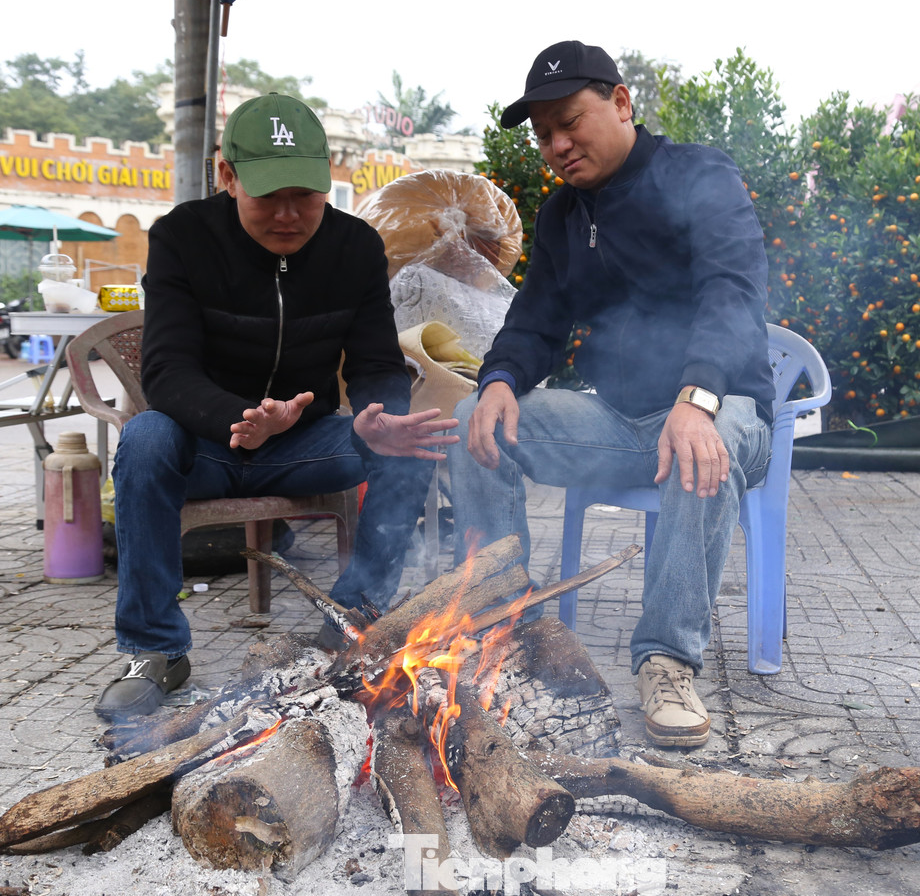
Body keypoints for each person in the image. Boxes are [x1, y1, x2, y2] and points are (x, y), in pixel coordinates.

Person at [448, 42, 775, 749]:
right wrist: (500, 379)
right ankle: (499, 629)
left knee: (698, 445)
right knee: (473, 421)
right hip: (619, 418)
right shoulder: (564, 215)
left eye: (571, 122)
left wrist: (698, 396)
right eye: (544, 136)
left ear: (621, 103)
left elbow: (734, 292)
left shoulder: (700, 176)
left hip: (722, 405)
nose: (558, 145)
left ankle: (667, 660)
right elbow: (534, 319)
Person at [96, 93, 458, 721]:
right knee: (145, 439)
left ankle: (352, 621)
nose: (289, 215)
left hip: (305, 444)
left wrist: (378, 412)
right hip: (205, 445)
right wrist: (239, 420)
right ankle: (155, 651)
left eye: (307, 196)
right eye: (268, 196)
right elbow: (166, 370)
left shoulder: (355, 248)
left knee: (406, 441)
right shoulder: (182, 237)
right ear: (227, 176)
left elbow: (374, 362)